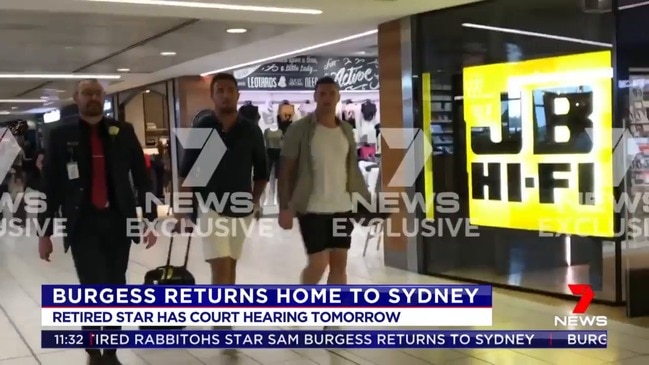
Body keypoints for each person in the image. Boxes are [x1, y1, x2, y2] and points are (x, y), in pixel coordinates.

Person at [37, 79, 158, 365]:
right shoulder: (60, 134)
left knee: (117, 285)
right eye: (86, 93)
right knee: (92, 286)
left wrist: (150, 219)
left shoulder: (123, 131)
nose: (92, 97)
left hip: (119, 220)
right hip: (83, 223)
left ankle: (111, 351)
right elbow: (50, 186)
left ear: (104, 97)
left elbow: (142, 177)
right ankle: (94, 350)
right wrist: (44, 233)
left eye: (97, 93)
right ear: (76, 97)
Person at [176, 72, 268, 308]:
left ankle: (224, 313)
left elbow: (261, 173)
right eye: (220, 91)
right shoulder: (204, 126)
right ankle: (223, 323)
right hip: (210, 207)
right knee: (221, 265)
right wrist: (183, 211)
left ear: (238, 94)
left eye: (230, 90)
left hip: (240, 208)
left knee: (231, 264)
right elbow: (188, 172)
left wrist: (254, 202)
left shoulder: (250, 130)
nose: (225, 95)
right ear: (212, 96)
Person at [278, 76, 369, 287]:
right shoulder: (300, 129)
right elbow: (286, 170)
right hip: (312, 208)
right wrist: (285, 207)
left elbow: (352, 168)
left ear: (338, 97)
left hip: (342, 207)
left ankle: (333, 314)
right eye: (322, 94)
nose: (327, 98)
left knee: (339, 264)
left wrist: (364, 201)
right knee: (318, 263)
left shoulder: (346, 129)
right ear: (315, 97)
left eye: (331, 93)